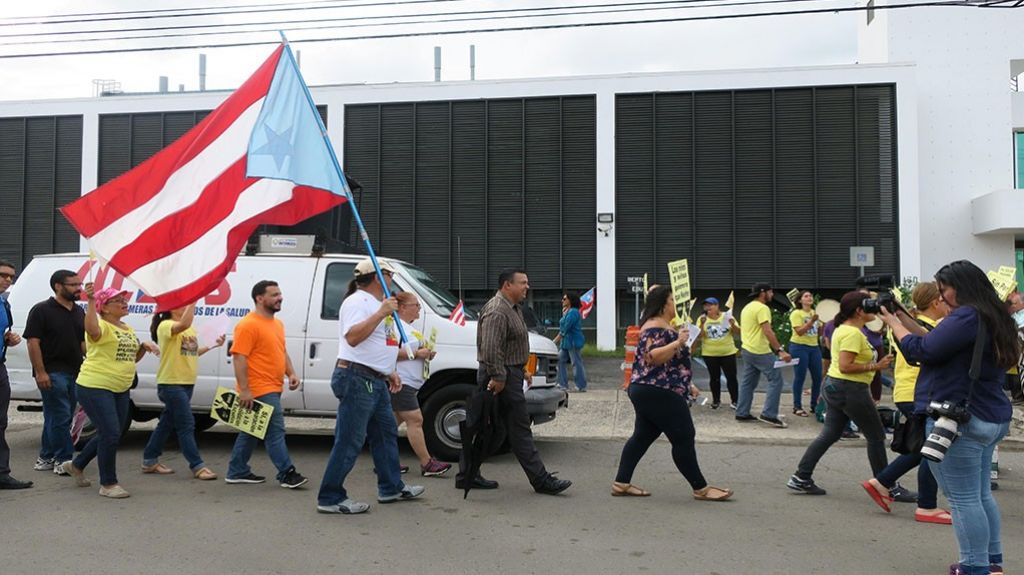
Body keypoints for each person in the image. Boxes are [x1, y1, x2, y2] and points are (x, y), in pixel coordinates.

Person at [880, 260, 1019, 575]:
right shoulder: (995, 315)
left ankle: (974, 567)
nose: (941, 297)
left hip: (961, 418)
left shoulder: (967, 315)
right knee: (980, 495)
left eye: (944, 290)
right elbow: (934, 342)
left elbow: (921, 351)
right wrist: (902, 315)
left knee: (963, 499)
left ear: (962, 286)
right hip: (991, 415)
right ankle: (991, 562)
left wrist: (893, 323)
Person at [317, 259, 425, 514]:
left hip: (374, 379)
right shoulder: (357, 302)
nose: (392, 281)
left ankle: (391, 487)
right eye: (390, 275)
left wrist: (389, 371)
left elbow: (378, 343)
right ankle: (330, 497)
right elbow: (353, 338)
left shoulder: (378, 304)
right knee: (350, 440)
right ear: (378, 277)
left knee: (385, 434)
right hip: (357, 378)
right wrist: (380, 314)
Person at [457, 268, 572, 495]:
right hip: (501, 377)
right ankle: (541, 480)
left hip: (510, 373)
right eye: (523, 282)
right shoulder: (497, 310)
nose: (527, 287)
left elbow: (510, 345)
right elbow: (491, 349)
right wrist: (499, 377)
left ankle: (466, 474)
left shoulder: (513, 308)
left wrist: (522, 370)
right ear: (507, 285)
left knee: (495, 431)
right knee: (518, 429)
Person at [613, 285, 733, 501]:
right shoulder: (654, 326)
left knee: (642, 436)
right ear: (663, 304)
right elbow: (652, 357)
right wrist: (678, 341)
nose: (675, 304)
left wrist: (688, 383)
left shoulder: (662, 325)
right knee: (684, 436)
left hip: (650, 388)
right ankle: (701, 488)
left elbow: (672, 362)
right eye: (672, 300)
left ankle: (621, 483)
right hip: (658, 390)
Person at [787, 291, 893, 496]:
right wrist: (876, 365)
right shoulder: (852, 333)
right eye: (869, 306)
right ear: (859, 311)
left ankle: (801, 477)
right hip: (850, 388)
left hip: (837, 386)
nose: (874, 311)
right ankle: (885, 485)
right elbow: (846, 366)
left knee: (830, 434)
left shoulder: (845, 329)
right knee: (876, 436)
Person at [862, 282, 951, 523]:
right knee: (931, 451)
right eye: (944, 299)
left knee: (925, 449)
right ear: (935, 302)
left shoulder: (904, 324)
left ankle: (883, 482)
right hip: (920, 393)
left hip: (906, 391)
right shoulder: (933, 329)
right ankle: (924, 504)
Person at [61, 285, 159, 498]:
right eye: (118, 301)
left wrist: (143, 347)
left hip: (120, 387)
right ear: (104, 308)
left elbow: (130, 358)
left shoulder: (127, 328)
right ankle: (108, 483)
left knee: (112, 433)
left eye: (124, 300)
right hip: (95, 386)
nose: (124, 303)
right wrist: (90, 301)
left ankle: (77, 465)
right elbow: (91, 329)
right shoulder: (101, 326)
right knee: (111, 433)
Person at [224, 280, 308, 489]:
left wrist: (291, 373)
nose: (280, 298)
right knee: (275, 431)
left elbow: (281, 351)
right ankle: (287, 473)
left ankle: (237, 471)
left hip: (273, 386)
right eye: (274, 295)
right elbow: (239, 357)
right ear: (259, 298)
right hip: (259, 389)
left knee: (251, 431)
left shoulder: (277, 324)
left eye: (280, 294)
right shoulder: (248, 325)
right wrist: (245, 390)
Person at [140, 304, 223, 480]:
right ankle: (197, 465)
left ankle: (149, 460)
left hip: (186, 383)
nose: (186, 307)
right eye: (183, 305)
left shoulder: (188, 329)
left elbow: (192, 352)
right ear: (171, 308)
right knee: (186, 424)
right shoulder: (166, 326)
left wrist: (213, 345)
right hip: (171, 383)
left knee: (166, 423)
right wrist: (193, 300)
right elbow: (184, 324)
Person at [23, 269, 85, 476]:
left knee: (57, 416)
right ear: (58, 286)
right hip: (52, 371)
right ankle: (64, 459)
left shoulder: (78, 311)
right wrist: (40, 372)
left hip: (75, 371)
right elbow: (33, 342)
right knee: (60, 416)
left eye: (79, 284)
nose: (78, 288)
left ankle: (46, 457)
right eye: (73, 285)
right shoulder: (41, 310)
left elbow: (82, 343)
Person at [391, 291, 450, 477]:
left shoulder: (408, 328)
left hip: (410, 382)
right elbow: (388, 353)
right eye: (416, 305)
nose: (419, 308)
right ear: (402, 308)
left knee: (391, 422)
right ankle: (427, 463)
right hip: (402, 381)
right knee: (415, 420)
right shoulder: (395, 327)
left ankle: (386, 461)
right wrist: (417, 354)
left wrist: (426, 353)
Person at [735, 283, 792, 428]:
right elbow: (767, 331)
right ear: (762, 293)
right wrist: (780, 350)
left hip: (747, 349)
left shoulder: (747, 307)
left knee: (748, 382)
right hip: (760, 350)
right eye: (770, 292)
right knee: (776, 380)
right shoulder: (762, 308)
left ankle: (742, 412)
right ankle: (769, 414)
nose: (772, 295)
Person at [0, 259, 32, 490]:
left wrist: (8, 339)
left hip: (0, 367)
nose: (8, 280)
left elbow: (5, 331)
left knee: (1, 423)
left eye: (11, 276)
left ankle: (2, 474)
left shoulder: (4, 303)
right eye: (3, 275)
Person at [691, 297, 739, 409]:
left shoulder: (727, 316)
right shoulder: (701, 318)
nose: (708, 308)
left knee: (731, 377)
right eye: (705, 305)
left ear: (717, 306)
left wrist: (733, 324)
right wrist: (702, 324)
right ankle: (716, 400)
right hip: (710, 353)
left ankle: (735, 400)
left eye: (710, 305)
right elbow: (699, 336)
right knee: (714, 378)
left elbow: (738, 332)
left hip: (728, 352)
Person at [788, 291, 823, 417]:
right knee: (800, 376)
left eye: (810, 296)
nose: (809, 298)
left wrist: (822, 324)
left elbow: (819, 332)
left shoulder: (815, 312)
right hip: (799, 346)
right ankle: (797, 406)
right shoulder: (796, 313)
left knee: (818, 377)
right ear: (800, 300)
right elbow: (799, 332)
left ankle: (814, 405)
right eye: (806, 296)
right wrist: (811, 321)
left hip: (814, 347)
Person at [553, 292, 588, 393]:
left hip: (573, 342)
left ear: (570, 300)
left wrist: (554, 341)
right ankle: (562, 384)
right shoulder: (568, 311)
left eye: (564, 299)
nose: (562, 301)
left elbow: (565, 328)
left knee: (576, 363)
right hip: (566, 343)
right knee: (560, 360)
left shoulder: (573, 312)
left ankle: (581, 386)